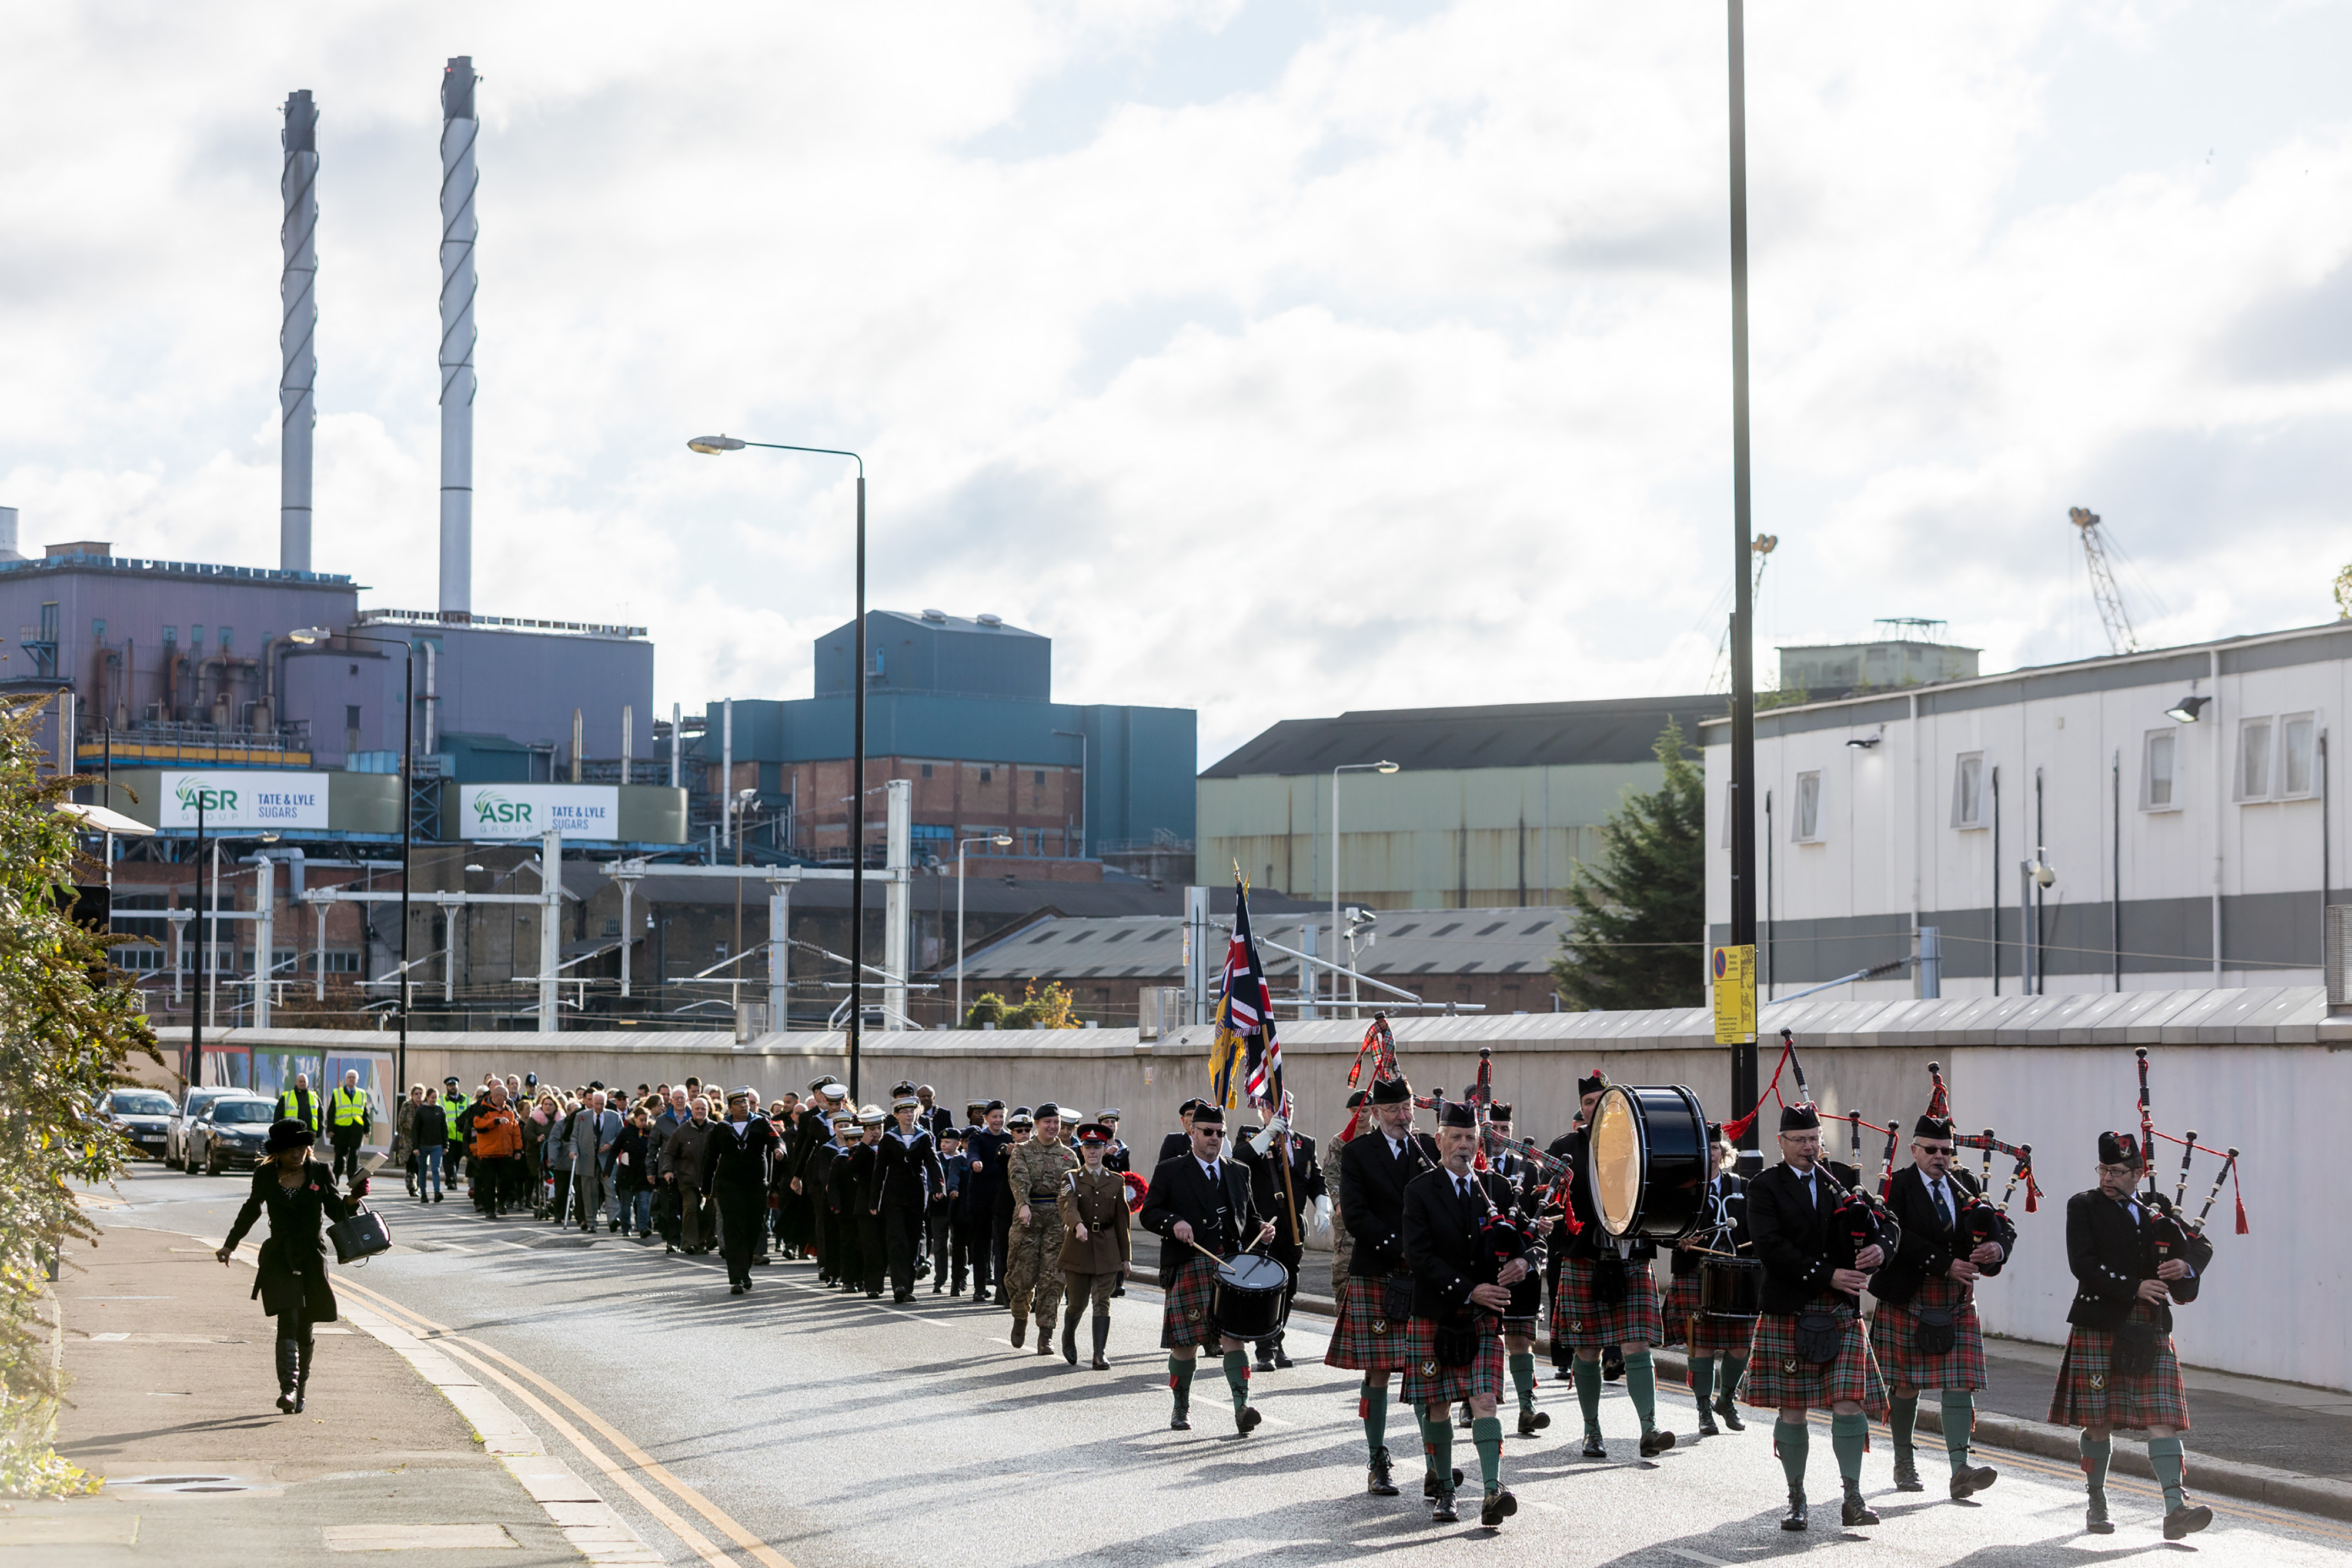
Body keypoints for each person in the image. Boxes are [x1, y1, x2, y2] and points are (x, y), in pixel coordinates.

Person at [2049, 1131, 2213, 1540]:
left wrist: (2183, 1267)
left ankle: (2175, 1509)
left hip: (2150, 1327)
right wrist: (2134, 1286)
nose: (2109, 1177)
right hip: (2101, 1322)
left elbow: (2201, 1247)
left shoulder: (2156, 1214)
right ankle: (2097, 1501)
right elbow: (2082, 1264)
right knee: (2098, 1422)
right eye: (2104, 1168)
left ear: (2138, 1173)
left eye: (2119, 1171)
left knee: (2163, 1419)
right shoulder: (2083, 1205)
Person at [1744, 1102, 1890, 1532]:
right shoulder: (1765, 1187)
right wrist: (1829, 1274)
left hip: (1840, 1311)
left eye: (1815, 1139)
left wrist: (1882, 1248)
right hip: (1791, 1306)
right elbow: (1770, 1246)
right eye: (1801, 1140)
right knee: (1794, 1407)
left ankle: (1853, 1496)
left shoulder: (1844, 1178)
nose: (1810, 1147)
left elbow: (1887, 1221)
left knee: (1849, 1402)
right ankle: (1796, 1496)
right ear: (1782, 1143)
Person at [1402, 1101, 1542, 1527]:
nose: (1463, 1145)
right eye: (1456, 1137)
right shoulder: (1420, 1190)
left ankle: (1491, 1491)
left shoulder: (1497, 1188)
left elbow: (1530, 1240)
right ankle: (1445, 1488)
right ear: (1440, 1140)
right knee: (1439, 1405)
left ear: (1479, 1144)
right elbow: (1418, 1256)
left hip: (1484, 1319)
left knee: (1484, 1400)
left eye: (1470, 1139)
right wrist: (1470, 1289)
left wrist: (1527, 1262)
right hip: (1437, 1310)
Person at [1870, 1114, 2003, 1499]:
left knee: (1961, 1381)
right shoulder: (1896, 1185)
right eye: (1931, 1149)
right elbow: (1896, 1235)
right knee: (1907, 1385)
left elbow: (1993, 1228)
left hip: (1955, 1299)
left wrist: (1996, 1251)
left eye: (1946, 1150)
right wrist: (1945, 1264)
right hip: (1909, 1293)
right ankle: (1903, 1459)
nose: (1940, 1156)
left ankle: (1960, 1467)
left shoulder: (1968, 1185)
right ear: (1915, 1150)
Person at [1329, 1075, 1445, 1498]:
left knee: (1426, 1368)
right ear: (1375, 1113)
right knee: (1378, 1369)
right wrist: (1403, 1247)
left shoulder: (1431, 1149)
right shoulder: (1358, 1153)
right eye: (1393, 1109)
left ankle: (1436, 1464)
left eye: (1407, 1108)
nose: (1402, 1116)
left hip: (1424, 1274)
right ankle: (1378, 1461)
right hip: (1379, 1267)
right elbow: (1356, 1216)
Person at [1552, 1071, 1673, 1459]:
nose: (1595, 1107)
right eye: (1589, 1102)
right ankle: (1591, 1431)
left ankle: (1649, 1428)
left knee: (1637, 1346)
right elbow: (1556, 1207)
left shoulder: (1638, 1144)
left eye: (1602, 1099)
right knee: (1587, 1350)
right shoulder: (1566, 1148)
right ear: (1582, 1108)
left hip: (1631, 1257)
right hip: (1586, 1258)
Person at [1139, 1102, 1275, 1435]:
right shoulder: (1171, 1170)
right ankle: (1180, 1407)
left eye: (1220, 1133)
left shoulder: (1238, 1171)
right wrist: (1174, 1223)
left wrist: (1261, 1229)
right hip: (1190, 1264)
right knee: (1185, 1343)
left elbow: (1248, 1217)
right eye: (1208, 1132)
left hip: (1231, 1269)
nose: (1214, 1138)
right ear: (1193, 1132)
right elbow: (1149, 1213)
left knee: (1234, 1339)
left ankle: (1242, 1407)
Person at [216, 1118, 363, 1414]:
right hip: (279, 1255)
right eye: (291, 1149)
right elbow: (251, 1209)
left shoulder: (320, 1171)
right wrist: (230, 1244)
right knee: (288, 1317)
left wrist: (353, 1200)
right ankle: (288, 1388)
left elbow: (335, 1210)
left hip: (311, 1253)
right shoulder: (266, 1174)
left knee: (305, 1324)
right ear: (278, 1152)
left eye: (302, 1147)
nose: (298, 1153)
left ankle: (301, 1391)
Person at [1664, 1124, 1752, 1436]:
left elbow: (1756, 1227)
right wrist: (1680, 1239)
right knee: (1701, 1346)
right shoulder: (1683, 1186)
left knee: (1741, 1346)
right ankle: (1704, 1408)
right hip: (1695, 1271)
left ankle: (1726, 1399)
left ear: (1723, 1152)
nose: (1712, 1154)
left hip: (1736, 1276)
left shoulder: (1741, 1186)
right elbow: (1662, 1227)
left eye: (1716, 1148)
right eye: (1707, 1148)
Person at [1482, 1102, 1551, 1437]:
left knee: (1521, 1338)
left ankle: (1527, 1406)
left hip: (1520, 1266)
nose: (1500, 1135)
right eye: (1493, 1127)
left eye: (1505, 1129)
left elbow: (1536, 1223)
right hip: (1480, 1266)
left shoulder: (1529, 1169)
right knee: (1481, 1338)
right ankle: (1473, 1400)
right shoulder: (1473, 1167)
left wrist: (1528, 1260)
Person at [1243, 1093, 1323, 1372]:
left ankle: (1277, 1337)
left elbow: (1316, 1180)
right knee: (1264, 1287)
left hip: (1292, 1228)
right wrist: (1268, 1134)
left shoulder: (1304, 1143)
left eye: (1288, 1108)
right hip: (1262, 1227)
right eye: (1276, 1109)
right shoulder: (1251, 1136)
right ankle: (1265, 1349)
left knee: (1288, 1288)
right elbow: (1240, 1160)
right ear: (1262, 1111)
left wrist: (1323, 1205)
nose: (1284, 1113)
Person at [1057, 1122, 1131, 1369]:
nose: (1092, 1152)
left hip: (1107, 1247)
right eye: (1088, 1147)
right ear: (1082, 1150)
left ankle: (1099, 1354)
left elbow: (1123, 1221)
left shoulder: (1116, 1182)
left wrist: (1126, 1257)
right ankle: (1069, 1335)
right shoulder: (1072, 1178)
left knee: (1103, 1301)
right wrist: (1077, 1225)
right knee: (1078, 1302)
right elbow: (1068, 1206)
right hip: (1079, 1248)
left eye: (1097, 1147)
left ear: (1105, 1148)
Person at [1005, 1103, 1078, 1350]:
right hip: (1028, 1218)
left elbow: (1073, 1190)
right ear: (1037, 1124)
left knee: (1054, 1278)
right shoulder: (1022, 1151)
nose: (1053, 1127)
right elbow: (1018, 1178)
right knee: (1021, 1276)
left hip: (1057, 1221)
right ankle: (1020, 1317)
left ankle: (1045, 1334)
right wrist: (1023, 1205)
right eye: (1047, 1122)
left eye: (1056, 1122)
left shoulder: (1069, 1155)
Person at [708, 1088, 781, 1294]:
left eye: (745, 1102)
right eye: (738, 1103)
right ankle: (736, 1278)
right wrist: (707, 1188)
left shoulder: (761, 1122)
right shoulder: (721, 1128)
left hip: (756, 1187)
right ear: (730, 1107)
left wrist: (779, 1149)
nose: (743, 1105)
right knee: (733, 1231)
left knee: (752, 1229)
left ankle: (745, 1269)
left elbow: (776, 1139)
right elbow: (710, 1158)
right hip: (729, 1187)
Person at [873, 1095, 945, 1303]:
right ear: (896, 1115)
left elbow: (933, 1162)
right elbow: (879, 1171)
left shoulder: (924, 1136)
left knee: (914, 1239)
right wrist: (874, 1201)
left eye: (912, 1111)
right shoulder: (889, 1138)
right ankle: (899, 1284)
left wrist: (939, 1186)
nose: (909, 1115)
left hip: (916, 1194)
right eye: (904, 1112)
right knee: (897, 1239)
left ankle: (909, 1286)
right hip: (894, 1195)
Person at [965, 1101, 1011, 1305]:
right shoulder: (978, 1138)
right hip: (980, 1197)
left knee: (1002, 1243)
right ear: (986, 1119)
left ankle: (1003, 1287)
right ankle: (979, 1287)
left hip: (1002, 1198)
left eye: (1001, 1116)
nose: (998, 1120)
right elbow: (972, 1153)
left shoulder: (1009, 1140)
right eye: (994, 1117)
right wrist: (975, 1162)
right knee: (980, 1243)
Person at [663, 1096, 718, 1256]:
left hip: (710, 1179)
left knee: (708, 1212)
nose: (700, 1111)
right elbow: (669, 1153)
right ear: (691, 1111)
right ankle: (689, 1243)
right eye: (697, 1109)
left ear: (708, 1110)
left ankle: (702, 1242)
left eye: (703, 1109)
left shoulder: (715, 1129)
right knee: (690, 1208)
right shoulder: (682, 1131)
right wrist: (668, 1170)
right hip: (687, 1178)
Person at [847, 1107, 888, 1297]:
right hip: (865, 1206)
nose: (876, 1133)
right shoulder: (858, 1149)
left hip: (887, 1203)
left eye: (879, 1128)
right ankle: (872, 1284)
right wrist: (864, 1144)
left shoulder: (889, 1145)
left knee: (886, 1245)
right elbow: (852, 1169)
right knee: (870, 1247)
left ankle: (881, 1280)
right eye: (871, 1129)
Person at [469, 1085, 522, 1218]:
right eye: (505, 1097)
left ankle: (501, 1202)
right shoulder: (483, 1109)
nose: (507, 1100)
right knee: (489, 1183)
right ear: (497, 1096)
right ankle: (490, 1209)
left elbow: (515, 1132)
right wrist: (495, 1122)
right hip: (489, 1153)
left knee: (507, 1180)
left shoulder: (509, 1110)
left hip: (505, 1152)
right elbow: (478, 1124)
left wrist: (518, 1149)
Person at [575, 1091, 623, 1236]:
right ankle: (591, 1222)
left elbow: (621, 1136)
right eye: (597, 1104)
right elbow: (574, 1137)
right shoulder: (582, 1116)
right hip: (587, 1160)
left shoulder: (614, 1117)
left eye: (602, 1104)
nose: (599, 1107)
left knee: (610, 1189)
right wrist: (573, 1151)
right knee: (590, 1193)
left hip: (607, 1160)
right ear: (591, 1103)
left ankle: (614, 1219)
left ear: (606, 1103)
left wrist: (611, 1144)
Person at [613, 1105, 658, 1239]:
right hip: (628, 1173)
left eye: (646, 1120)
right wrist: (609, 1169)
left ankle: (644, 1227)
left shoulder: (651, 1132)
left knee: (643, 1202)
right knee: (627, 1203)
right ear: (635, 1119)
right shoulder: (627, 1132)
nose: (643, 1123)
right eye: (641, 1120)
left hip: (644, 1173)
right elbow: (615, 1150)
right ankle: (626, 1227)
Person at [931, 1127, 967, 1294]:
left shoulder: (962, 1160)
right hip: (939, 1207)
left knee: (959, 1243)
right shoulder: (936, 1159)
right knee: (940, 1244)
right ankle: (940, 1279)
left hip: (958, 1208)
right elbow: (930, 1178)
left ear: (958, 1144)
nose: (943, 1145)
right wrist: (934, 1193)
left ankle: (960, 1277)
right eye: (942, 1142)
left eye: (948, 1142)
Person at [328, 1069, 371, 1182]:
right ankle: (335, 1178)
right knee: (339, 1156)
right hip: (341, 1130)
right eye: (349, 1077)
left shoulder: (362, 1094)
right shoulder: (338, 1093)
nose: (351, 1079)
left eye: (354, 1078)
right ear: (346, 1080)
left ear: (357, 1080)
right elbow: (331, 1113)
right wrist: (330, 1130)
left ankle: (352, 1179)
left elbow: (365, 1112)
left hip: (356, 1130)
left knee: (355, 1155)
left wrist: (367, 1129)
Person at [409, 1087, 447, 1205]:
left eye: (436, 1098)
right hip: (423, 1145)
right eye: (432, 1098)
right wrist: (415, 1147)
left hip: (437, 1145)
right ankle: (424, 1194)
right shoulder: (421, 1111)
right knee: (423, 1169)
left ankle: (437, 1192)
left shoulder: (440, 1110)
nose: (434, 1100)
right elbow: (415, 1129)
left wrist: (445, 1145)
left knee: (436, 1170)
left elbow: (444, 1129)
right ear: (428, 1097)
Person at [276, 1071, 323, 1136]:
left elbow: (320, 1117)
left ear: (308, 1084)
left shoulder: (315, 1097)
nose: (302, 1083)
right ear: (296, 1083)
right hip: (291, 1133)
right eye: (300, 1082)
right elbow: (278, 1116)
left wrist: (319, 1132)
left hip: (309, 1133)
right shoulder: (286, 1097)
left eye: (304, 1082)